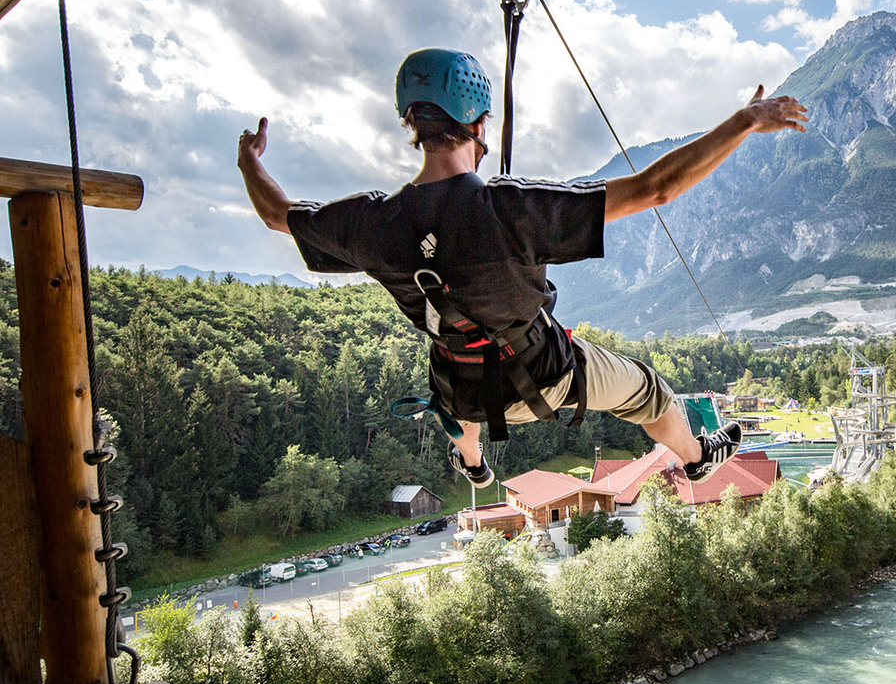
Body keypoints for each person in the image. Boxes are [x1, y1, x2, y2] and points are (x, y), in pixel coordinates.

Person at [237, 48, 806, 489]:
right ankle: (699, 457)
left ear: (412, 124)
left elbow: (275, 215)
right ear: (478, 125)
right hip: (547, 375)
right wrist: (744, 121)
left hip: (459, 386)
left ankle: (476, 466)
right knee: (650, 392)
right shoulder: (508, 208)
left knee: (454, 359)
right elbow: (656, 188)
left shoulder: (372, 224)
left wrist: (248, 159)